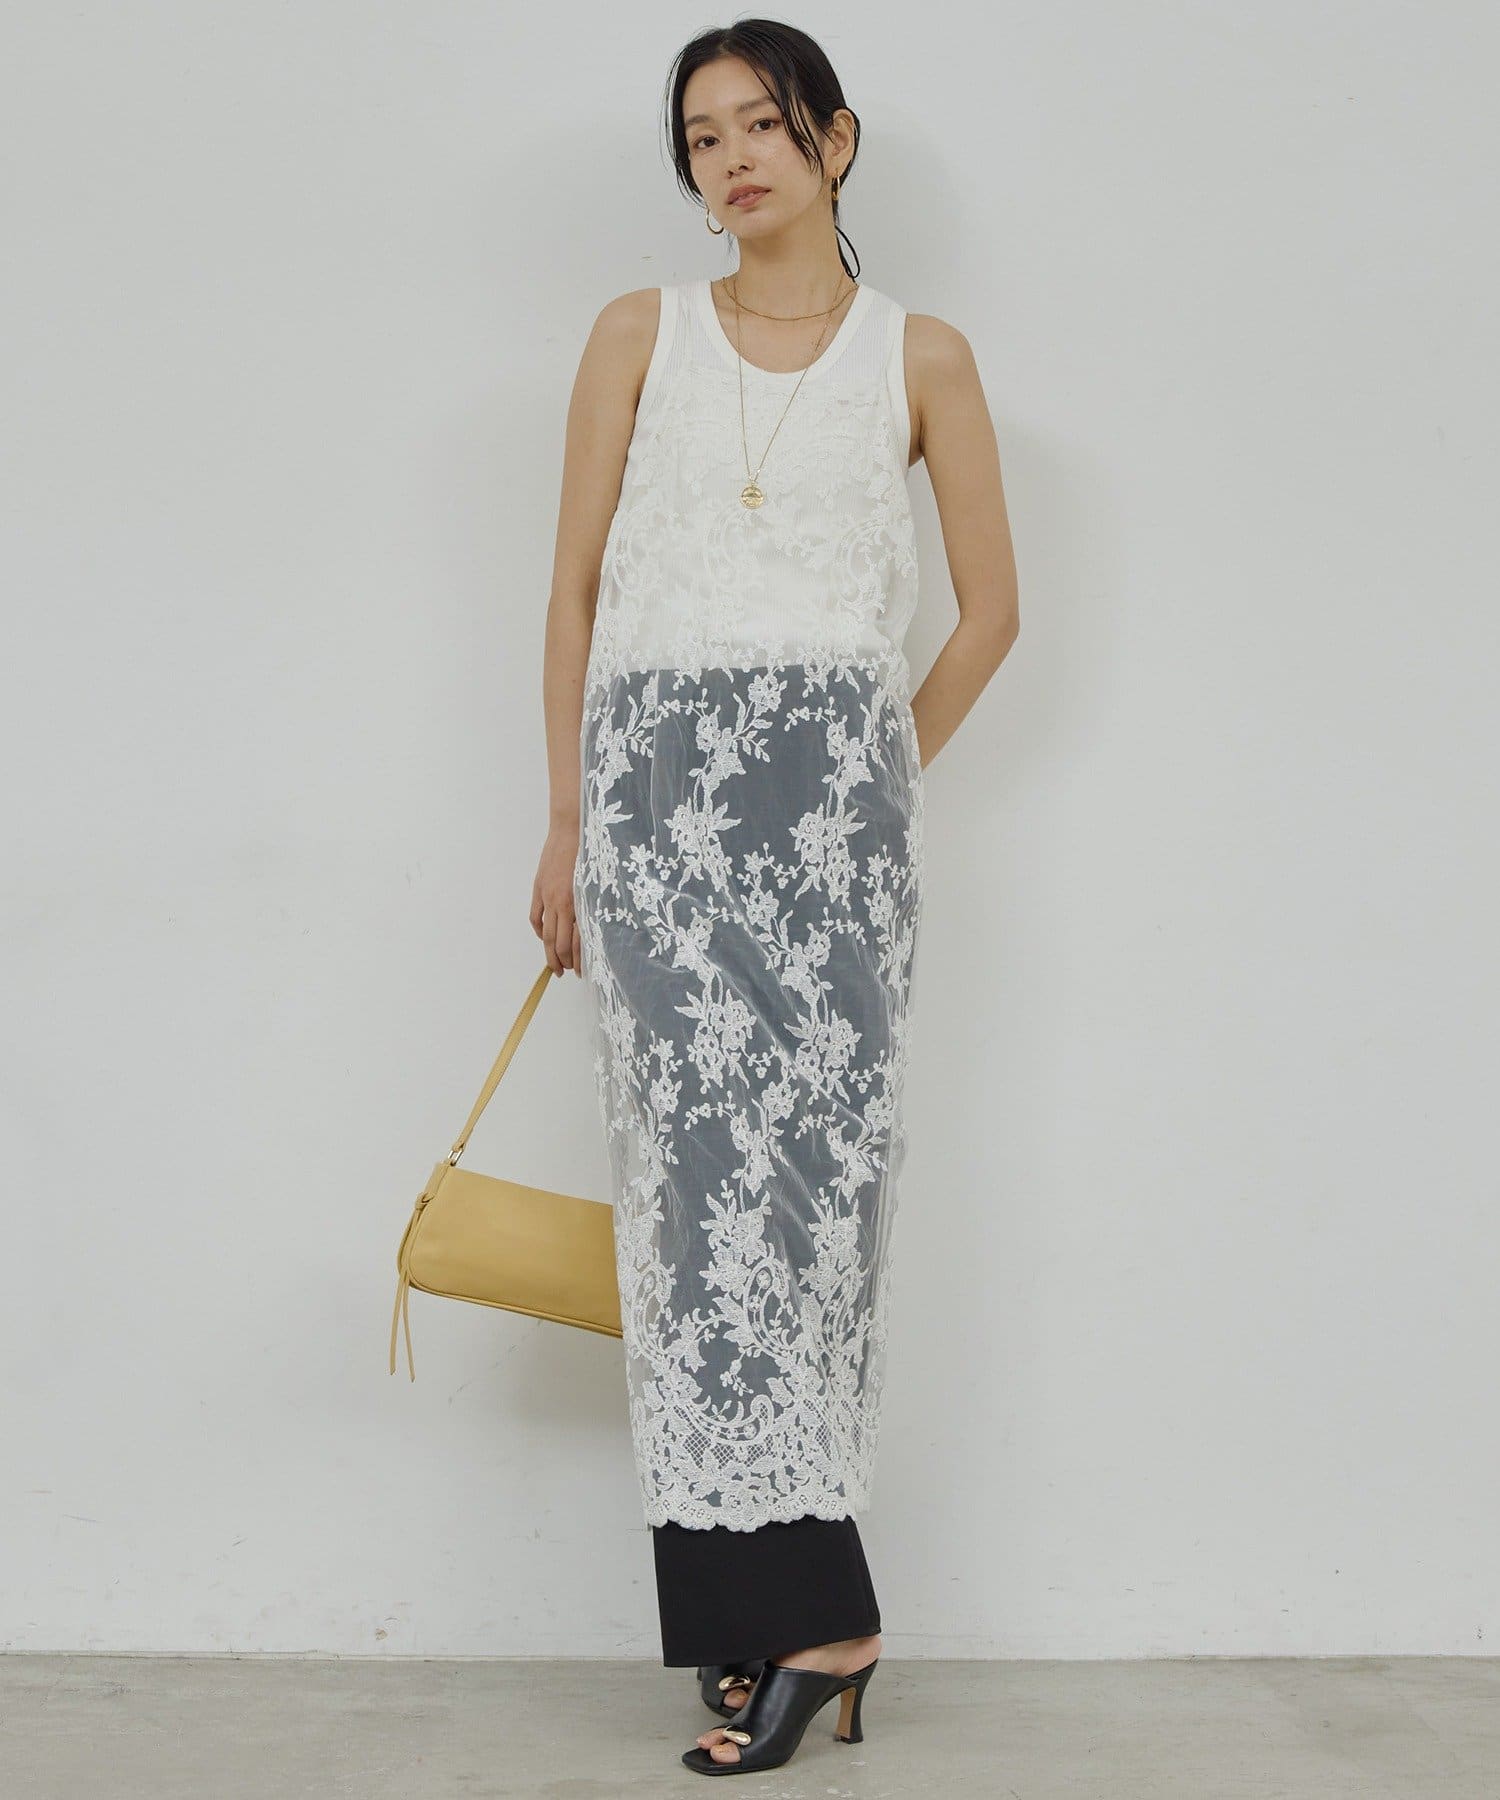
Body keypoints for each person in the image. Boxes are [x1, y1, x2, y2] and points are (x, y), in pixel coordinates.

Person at [531, 19, 1018, 1778]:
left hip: (831, 857)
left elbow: (991, 615)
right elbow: (576, 595)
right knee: (691, 1217)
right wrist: (569, 822)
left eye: (762, 124)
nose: (732, 158)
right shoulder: (634, 335)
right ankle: (771, 1622)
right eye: (702, 137)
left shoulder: (924, 357)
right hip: (655, 832)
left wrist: (869, 787)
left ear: (835, 140)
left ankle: (822, 1621)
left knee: (812, 1209)